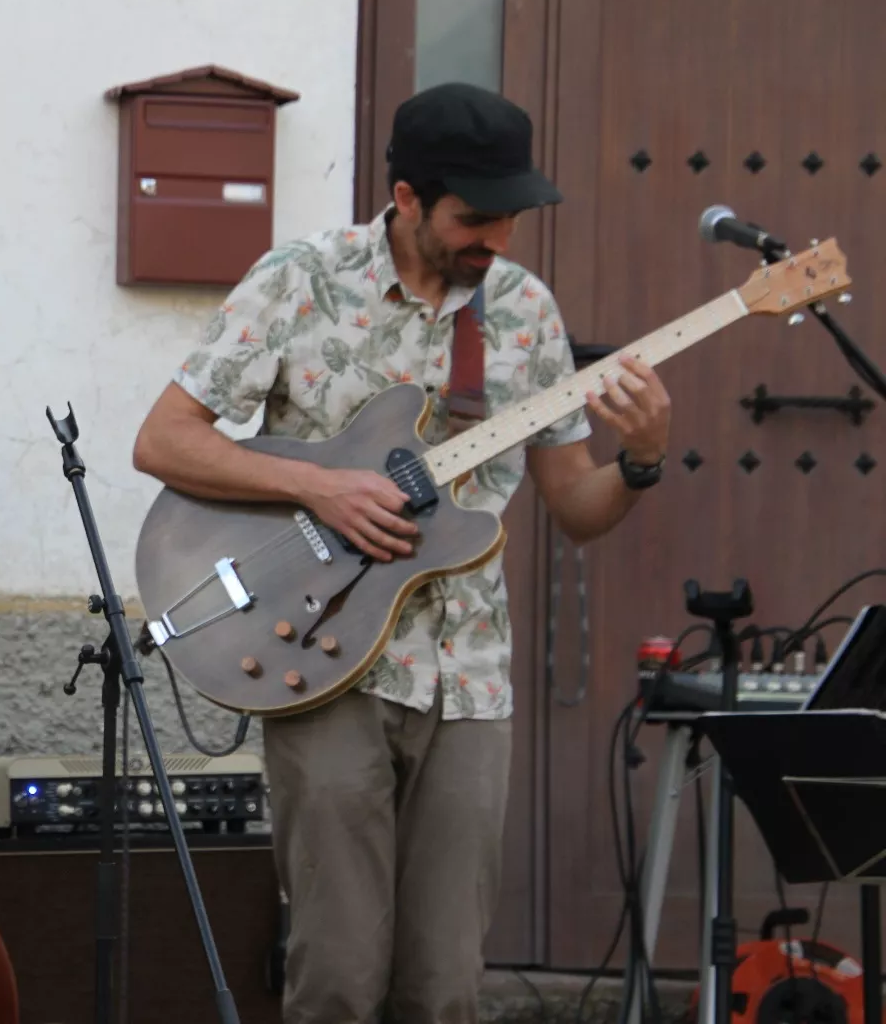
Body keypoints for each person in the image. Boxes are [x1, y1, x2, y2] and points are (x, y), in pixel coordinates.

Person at [131, 82, 672, 1023]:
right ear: (408, 197)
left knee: (446, 988)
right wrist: (317, 484)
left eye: (508, 219)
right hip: (321, 655)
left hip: (469, 674)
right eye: (473, 218)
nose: (495, 241)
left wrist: (643, 460)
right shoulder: (302, 278)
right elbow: (164, 441)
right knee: (337, 974)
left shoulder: (526, 313)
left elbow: (578, 506)